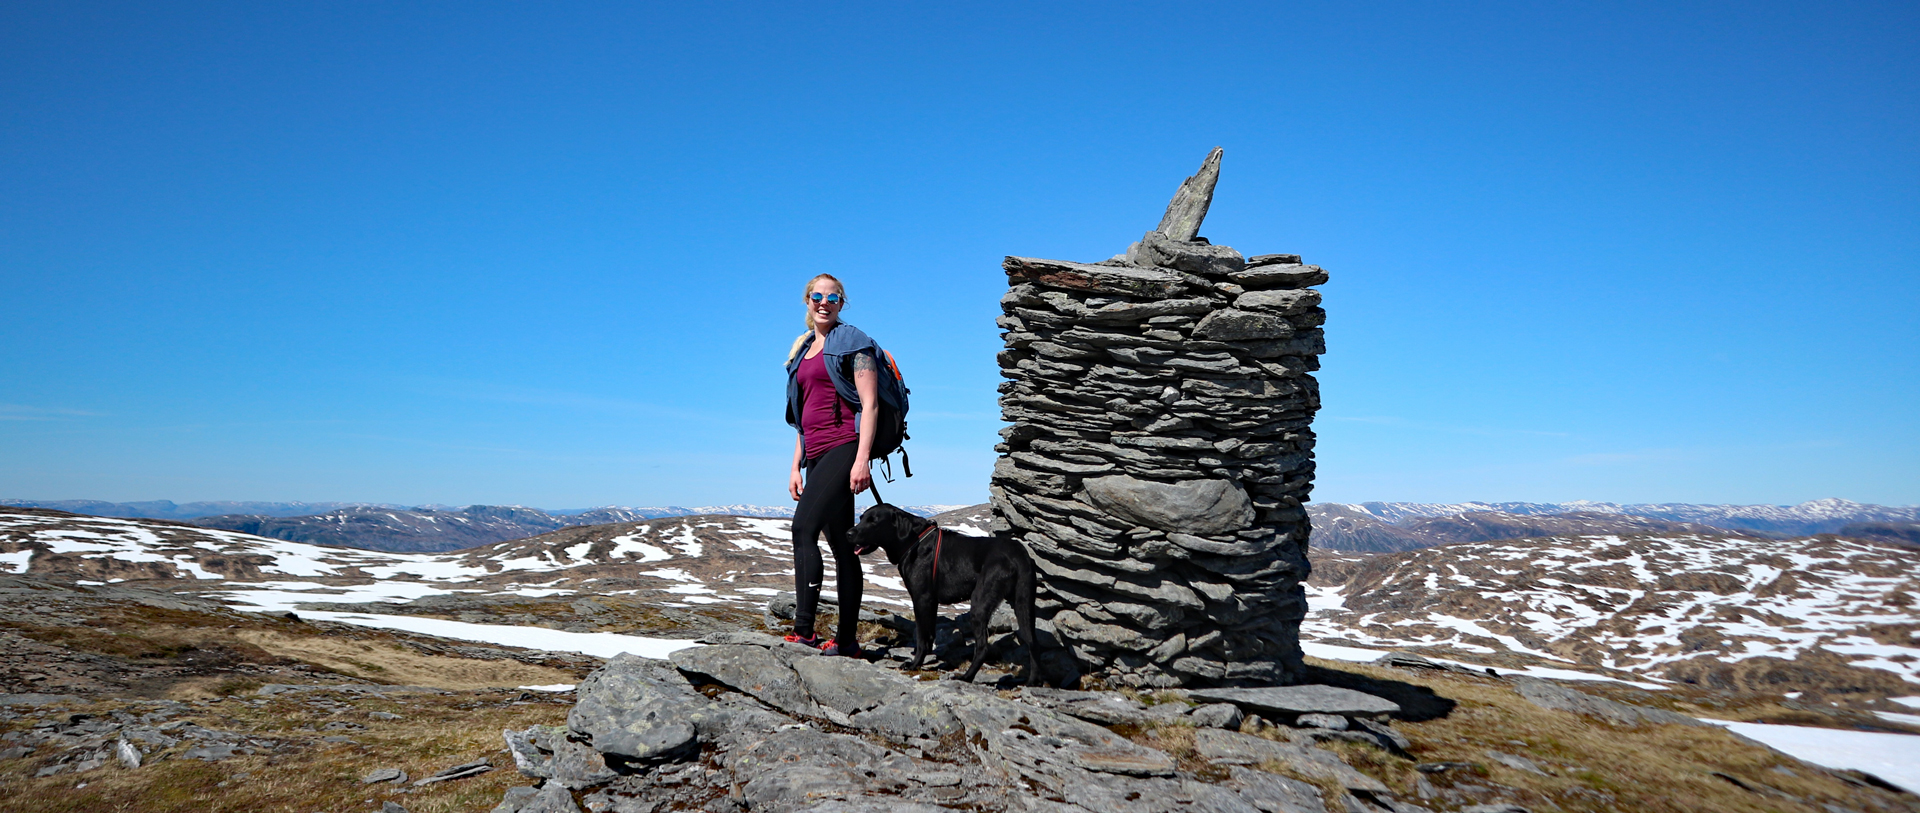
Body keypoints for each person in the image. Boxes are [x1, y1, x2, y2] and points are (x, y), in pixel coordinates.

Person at [783, 273, 881, 657]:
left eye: (833, 296)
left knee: (802, 528)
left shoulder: (854, 342)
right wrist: (795, 466)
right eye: (817, 295)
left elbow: (869, 405)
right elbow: (800, 417)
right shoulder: (803, 349)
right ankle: (847, 641)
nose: (824, 302)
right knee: (842, 545)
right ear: (807, 300)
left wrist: (861, 460)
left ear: (842, 302)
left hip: (845, 447)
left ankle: (804, 630)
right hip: (816, 453)